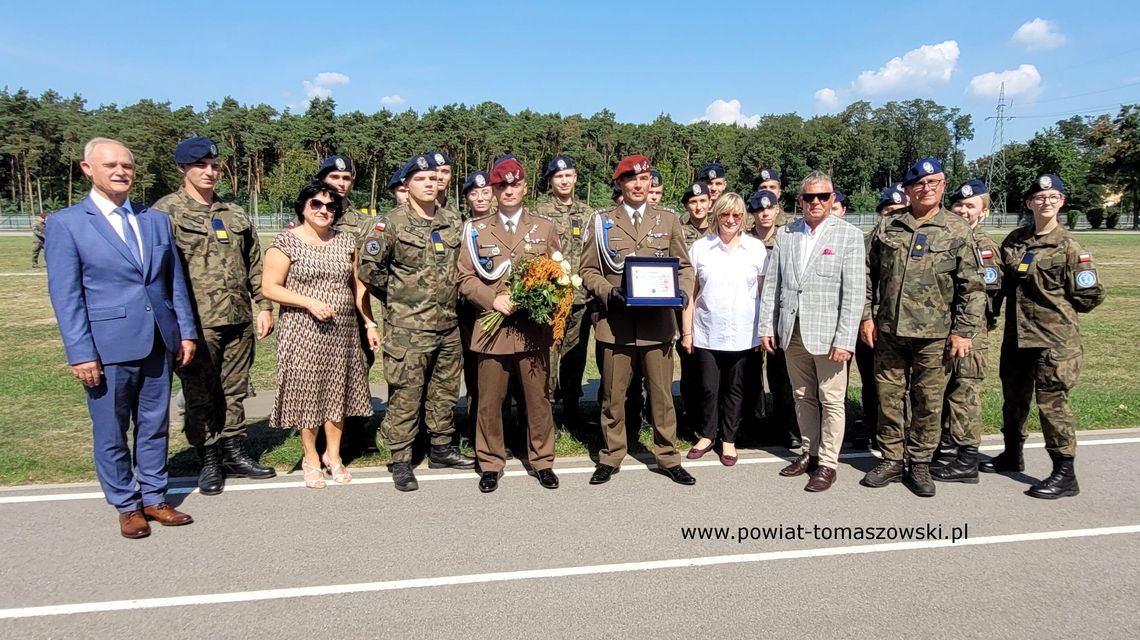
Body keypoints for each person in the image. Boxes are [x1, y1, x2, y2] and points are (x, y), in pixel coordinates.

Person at [46, 137, 198, 538]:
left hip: (158, 342)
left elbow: (173, 282)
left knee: (154, 425)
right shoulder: (67, 224)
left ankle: (154, 496)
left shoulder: (154, 220)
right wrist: (81, 353)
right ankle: (126, 504)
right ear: (87, 169)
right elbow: (67, 296)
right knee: (111, 430)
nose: (120, 172)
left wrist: (185, 332)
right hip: (106, 345)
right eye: (110, 165)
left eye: (127, 166)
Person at [153, 136, 276, 495]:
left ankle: (234, 452)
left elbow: (255, 263)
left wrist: (264, 306)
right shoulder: (164, 214)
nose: (209, 172)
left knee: (234, 391)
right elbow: (157, 273)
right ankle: (208, 458)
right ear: (182, 169)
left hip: (238, 319)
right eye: (200, 166)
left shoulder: (233, 213)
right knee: (200, 393)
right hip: (196, 324)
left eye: (214, 166)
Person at [860, 157, 985, 497]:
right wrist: (867, 316)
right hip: (889, 330)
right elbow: (867, 275)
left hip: (935, 335)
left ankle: (919, 463)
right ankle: (891, 458)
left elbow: (972, 287)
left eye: (934, 183)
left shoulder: (956, 229)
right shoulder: (889, 227)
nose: (926, 189)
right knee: (889, 397)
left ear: (943, 186)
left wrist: (963, 331)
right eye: (919, 184)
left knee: (928, 400)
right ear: (908, 189)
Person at [982, 174, 1106, 498]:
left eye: (1053, 197)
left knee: (1052, 406)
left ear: (1062, 202)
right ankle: (1012, 454)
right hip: (1018, 338)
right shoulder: (1015, 241)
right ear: (1029, 203)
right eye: (1039, 197)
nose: (1046, 201)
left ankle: (1064, 473)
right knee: (1014, 400)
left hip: (1054, 341)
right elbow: (1001, 287)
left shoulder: (1070, 248)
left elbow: (1089, 295)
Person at [358, 153, 474, 492]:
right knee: (406, 395)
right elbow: (370, 270)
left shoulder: (452, 221)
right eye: (421, 179)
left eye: (434, 178)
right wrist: (401, 297)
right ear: (406, 186)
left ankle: (440, 448)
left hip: (448, 324)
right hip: (408, 328)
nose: (430, 183)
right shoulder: (389, 223)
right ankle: (400, 459)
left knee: (444, 391)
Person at [580, 154, 697, 486]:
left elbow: (685, 267)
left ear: (650, 184)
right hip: (615, 324)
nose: (638, 185)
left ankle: (668, 457)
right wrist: (606, 292)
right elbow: (587, 269)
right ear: (620, 184)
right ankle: (611, 456)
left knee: (661, 397)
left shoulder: (668, 220)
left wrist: (684, 292)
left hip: (657, 324)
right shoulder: (601, 221)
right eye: (631, 179)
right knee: (612, 397)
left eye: (644, 179)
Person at [262, 181, 377, 488]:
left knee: (338, 392)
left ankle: (334, 456)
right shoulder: (285, 242)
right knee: (309, 395)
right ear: (303, 206)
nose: (324, 211)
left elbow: (358, 287)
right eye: (317, 204)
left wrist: (369, 323)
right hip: (302, 331)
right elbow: (270, 287)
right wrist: (309, 302)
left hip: (343, 332)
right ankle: (311, 457)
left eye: (331, 207)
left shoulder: (345, 242)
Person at [457, 157, 562, 493]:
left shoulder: (544, 228)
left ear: (525, 187)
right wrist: (492, 301)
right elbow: (463, 278)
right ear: (493, 189)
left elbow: (558, 275)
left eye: (515, 184)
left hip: (532, 329)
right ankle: (489, 462)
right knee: (489, 401)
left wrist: (545, 298)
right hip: (492, 331)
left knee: (538, 400)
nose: (509, 191)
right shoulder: (476, 229)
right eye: (502, 185)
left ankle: (542, 461)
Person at [760, 172, 865, 492]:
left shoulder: (849, 236)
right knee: (802, 396)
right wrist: (767, 325)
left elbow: (854, 293)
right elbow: (773, 286)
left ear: (833, 199)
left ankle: (828, 462)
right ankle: (809, 451)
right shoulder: (787, 234)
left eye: (822, 196)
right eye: (809, 197)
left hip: (830, 337)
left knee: (831, 400)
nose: (816, 202)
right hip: (792, 332)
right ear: (800, 200)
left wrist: (846, 339)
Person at [682, 193, 766, 466]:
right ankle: (707, 435)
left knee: (735, 389)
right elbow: (691, 295)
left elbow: (764, 294)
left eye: (736, 215)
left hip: (744, 333)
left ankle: (728, 439)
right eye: (724, 215)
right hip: (707, 332)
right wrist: (687, 332)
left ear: (743, 218)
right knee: (707, 388)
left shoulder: (756, 249)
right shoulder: (700, 248)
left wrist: (763, 330)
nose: (730, 221)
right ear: (716, 216)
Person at [931, 179, 1001, 482]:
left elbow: (986, 294)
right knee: (947, 391)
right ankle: (947, 449)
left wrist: (968, 330)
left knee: (964, 393)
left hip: (970, 333)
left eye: (970, 206)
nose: (962, 210)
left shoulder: (983, 248)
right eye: (958, 204)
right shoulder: (951, 240)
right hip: (947, 330)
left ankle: (967, 458)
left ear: (983, 211)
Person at [535, 155, 594, 429]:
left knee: (575, 357)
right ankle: (545, 416)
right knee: (547, 357)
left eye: (569, 175)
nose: (565, 180)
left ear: (576, 178)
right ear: (550, 181)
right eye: (559, 176)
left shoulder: (588, 213)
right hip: (551, 300)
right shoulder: (539, 212)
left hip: (580, 300)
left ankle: (572, 411)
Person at [850, 184, 910, 450]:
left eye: (899, 211)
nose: (893, 216)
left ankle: (901, 435)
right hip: (871, 322)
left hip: (902, 324)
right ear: (880, 213)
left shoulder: (912, 241)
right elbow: (860, 283)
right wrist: (865, 317)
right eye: (888, 211)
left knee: (899, 383)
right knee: (870, 381)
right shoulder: (867, 243)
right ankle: (873, 425)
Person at [743, 188, 798, 448]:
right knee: (749, 374)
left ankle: (786, 427)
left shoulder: (788, 237)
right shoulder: (743, 239)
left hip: (778, 314)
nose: (765, 213)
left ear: (778, 209)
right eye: (759, 209)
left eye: (769, 208)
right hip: (748, 313)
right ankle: (751, 426)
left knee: (781, 376)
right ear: (752, 213)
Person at [675, 182, 713, 437]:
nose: (698, 207)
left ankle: (710, 418)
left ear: (710, 202)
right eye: (692, 202)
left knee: (710, 368)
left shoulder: (720, 229)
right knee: (689, 364)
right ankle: (690, 416)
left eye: (702, 202)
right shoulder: (677, 229)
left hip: (712, 306)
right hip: (686, 305)